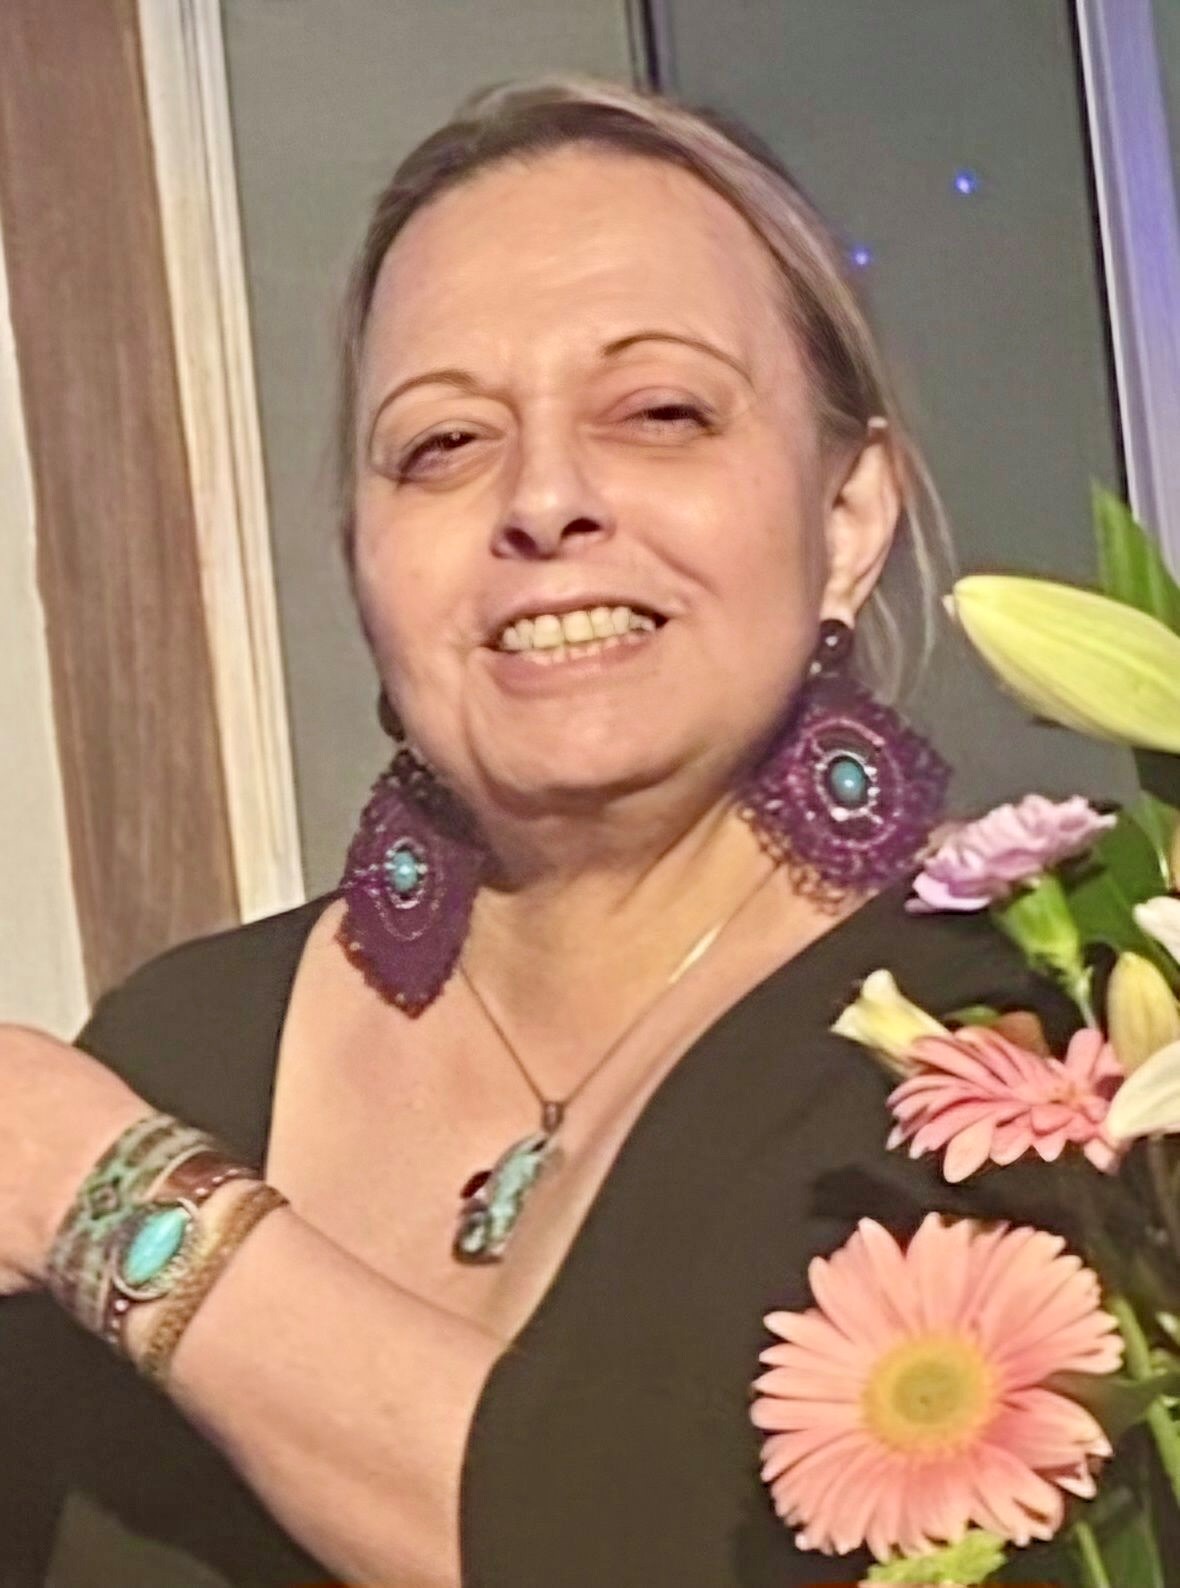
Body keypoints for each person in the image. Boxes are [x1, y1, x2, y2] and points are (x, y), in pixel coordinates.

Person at [0, 73, 1079, 1588]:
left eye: (660, 414)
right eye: (443, 444)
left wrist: (105, 1201)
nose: (547, 500)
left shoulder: (1038, 1046)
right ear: (364, 561)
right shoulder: (174, 1047)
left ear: (847, 518)